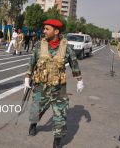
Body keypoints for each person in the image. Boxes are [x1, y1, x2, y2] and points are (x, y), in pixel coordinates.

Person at [24, 19, 84, 148]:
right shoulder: (39, 45)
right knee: (36, 110)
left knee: (60, 116)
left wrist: (79, 80)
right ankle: (33, 124)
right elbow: (32, 61)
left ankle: (57, 141)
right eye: (44, 28)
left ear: (56, 31)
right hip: (41, 87)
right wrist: (27, 77)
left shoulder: (66, 47)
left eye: (47, 29)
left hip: (59, 89)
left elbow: (74, 63)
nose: (44, 31)